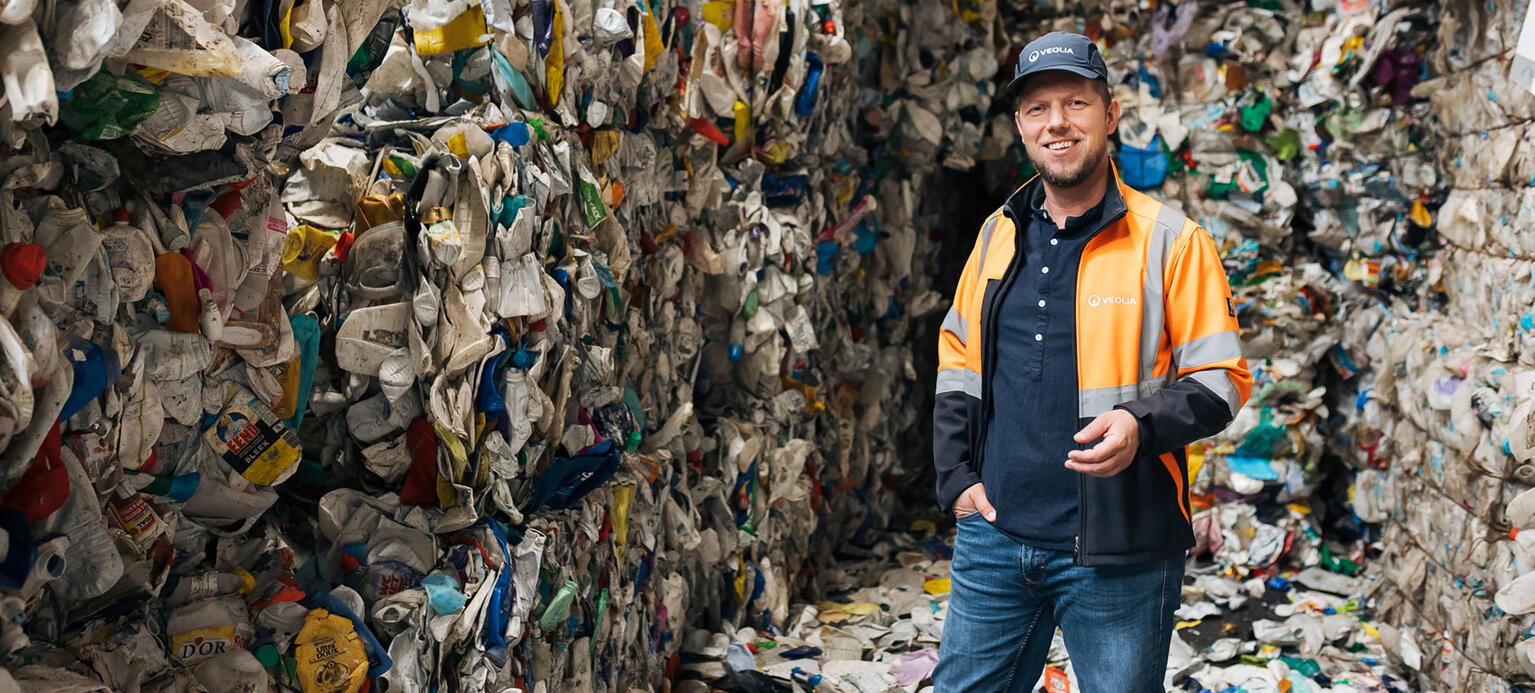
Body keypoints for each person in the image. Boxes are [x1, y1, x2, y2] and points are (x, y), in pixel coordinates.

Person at [930, 32, 1253, 692]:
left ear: (1108, 116)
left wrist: (1139, 424)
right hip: (994, 537)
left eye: (1075, 102)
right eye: (1036, 108)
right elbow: (957, 357)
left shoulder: (1170, 240)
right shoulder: (998, 230)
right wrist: (955, 477)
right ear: (1020, 125)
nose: (1056, 122)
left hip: (1119, 546)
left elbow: (1222, 380)